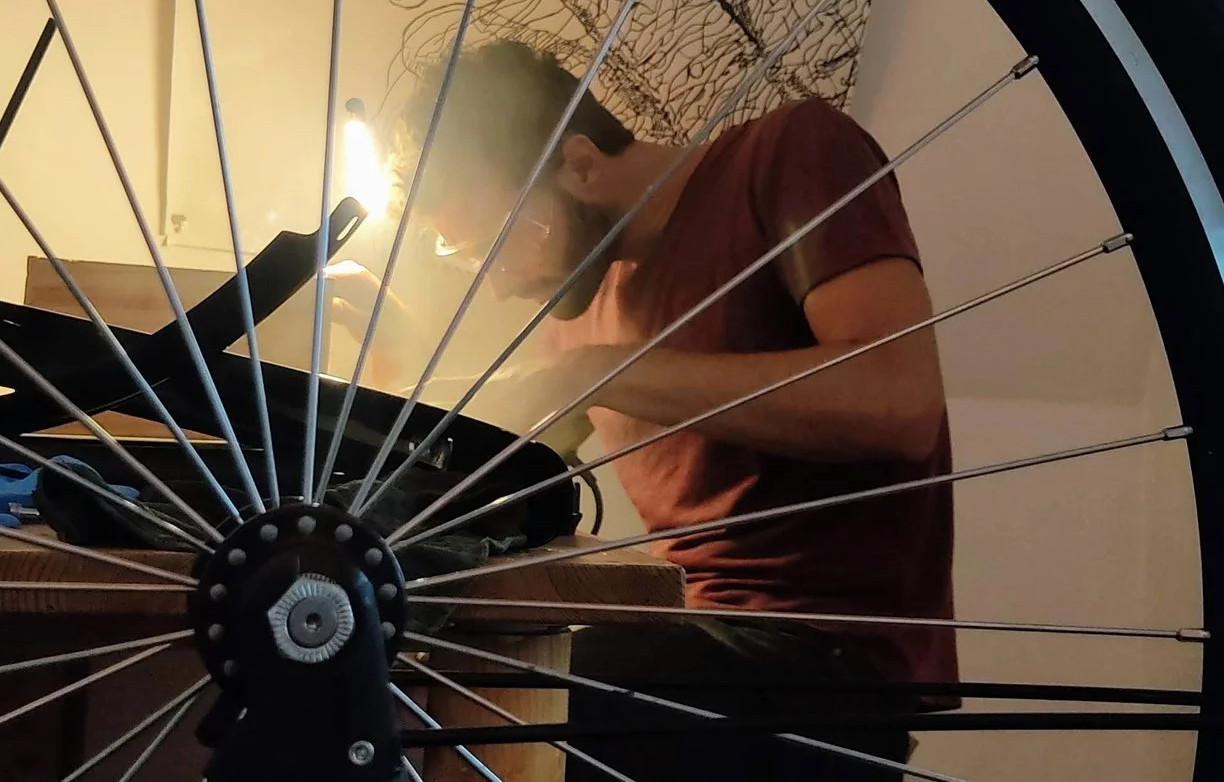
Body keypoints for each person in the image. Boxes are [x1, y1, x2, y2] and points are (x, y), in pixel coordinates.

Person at [403, 41, 955, 780]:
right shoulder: (576, 312)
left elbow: (899, 400)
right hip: (689, 635)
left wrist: (602, 372)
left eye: (503, 244)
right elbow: (487, 477)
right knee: (389, 683)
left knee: (474, 713)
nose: (500, 285)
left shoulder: (787, 153)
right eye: (473, 259)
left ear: (580, 164)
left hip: (827, 659)